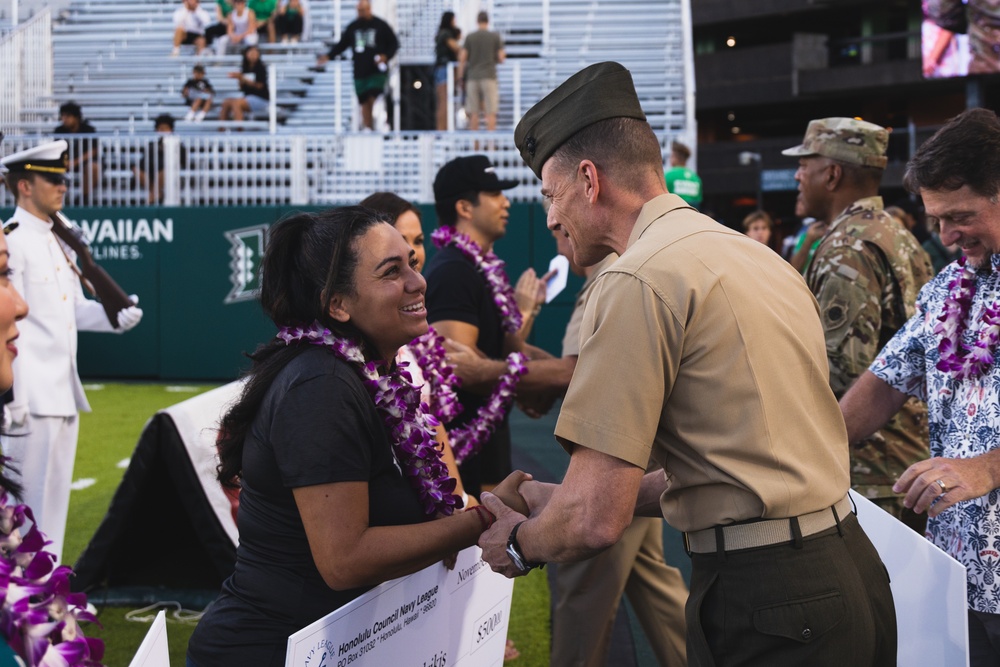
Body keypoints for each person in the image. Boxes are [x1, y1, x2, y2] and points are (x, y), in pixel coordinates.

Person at [477, 61, 896, 666]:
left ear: (589, 180)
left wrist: (518, 543)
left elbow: (596, 519)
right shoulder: (755, 257)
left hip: (767, 597)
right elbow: (726, 466)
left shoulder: (636, 279)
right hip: (848, 570)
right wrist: (555, 496)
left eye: (550, 194)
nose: (549, 218)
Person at [186, 207, 500, 666]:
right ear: (338, 304)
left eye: (412, 262)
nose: (418, 282)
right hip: (272, 651)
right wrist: (481, 521)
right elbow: (344, 560)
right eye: (392, 271)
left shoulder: (372, 374)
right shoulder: (322, 385)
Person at [839, 107, 1000, 667]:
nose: (947, 236)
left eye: (960, 215)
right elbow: (881, 387)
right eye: (936, 220)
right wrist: (800, 451)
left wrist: (987, 467)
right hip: (956, 576)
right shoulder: (949, 287)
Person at [536, 225, 688, 667]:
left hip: (619, 455)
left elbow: (574, 370)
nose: (556, 235)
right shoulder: (622, 271)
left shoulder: (615, 276)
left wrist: (494, 371)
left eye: (559, 224)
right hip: (641, 453)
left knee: (583, 590)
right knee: (653, 584)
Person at [783, 116, 933, 531]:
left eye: (805, 164)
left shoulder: (847, 247)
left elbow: (836, 374)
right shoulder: (897, 234)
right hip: (905, 459)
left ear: (831, 174)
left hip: (869, 473)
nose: (797, 175)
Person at [0, 140, 143, 563]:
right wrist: (17, 399)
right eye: (53, 179)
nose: (62, 187)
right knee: (26, 515)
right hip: (32, 397)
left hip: (62, 392)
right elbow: (13, 323)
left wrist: (113, 317)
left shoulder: (59, 238)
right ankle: (25, 602)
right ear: (24, 185)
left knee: (54, 509)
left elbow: (69, 310)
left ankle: (49, 593)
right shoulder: (15, 241)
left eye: (64, 179)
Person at [424, 155, 549, 499]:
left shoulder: (481, 267)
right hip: (465, 458)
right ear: (465, 207)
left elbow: (499, 353)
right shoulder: (454, 270)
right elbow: (463, 372)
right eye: (494, 194)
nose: (505, 202)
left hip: (489, 446)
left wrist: (527, 312)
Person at [358, 191, 474, 507]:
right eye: (400, 239)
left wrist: (456, 501)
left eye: (419, 240)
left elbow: (429, 424)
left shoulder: (409, 338)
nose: (413, 251)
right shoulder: (355, 347)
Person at [318, 0, 399, 131]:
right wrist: (328, 56)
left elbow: (394, 43)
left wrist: (386, 56)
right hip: (360, 71)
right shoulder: (353, 27)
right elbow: (342, 44)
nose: (360, 13)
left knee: (373, 96)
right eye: (358, 10)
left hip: (376, 71)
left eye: (363, 10)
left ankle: (379, 123)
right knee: (363, 101)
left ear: (369, 9)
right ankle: (368, 128)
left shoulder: (381, 25)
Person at [459, 11, 505, 132]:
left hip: (473, 77)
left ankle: (475, 145)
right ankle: (491, 145)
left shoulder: (470, 37)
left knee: (473, 113)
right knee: (491, 113)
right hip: (489, 76)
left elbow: (462, 58)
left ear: (477, 21)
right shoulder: (494, 36)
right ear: (488, 21)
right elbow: (501, 58)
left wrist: (460, 77)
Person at [53, 101, 100, 205]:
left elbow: (94, 150)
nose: (64, 119)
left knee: (93, 167)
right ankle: (59, 200)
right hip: (64, 163)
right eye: (63, 116)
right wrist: (64, 162)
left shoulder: (88, 129)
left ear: (76, 117)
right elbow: (55, 149)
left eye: (68, 116)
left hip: (84, 162)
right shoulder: (59, 131)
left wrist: (75, 162)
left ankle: (84, 198)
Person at [134, 114, 188, 205]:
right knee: (136, 169)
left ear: (171, 129)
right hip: (152, 173)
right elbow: (144, 162)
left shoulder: (178, 145)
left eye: (165, 128)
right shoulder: (152, 145)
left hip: (171, 174)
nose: (163, 131)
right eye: (161, 128)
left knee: (166, 169)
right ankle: (156, 192)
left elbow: (183, 161)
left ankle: (154, 194)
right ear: (157, 130)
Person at [218, 45, 268, 124]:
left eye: (255, 53)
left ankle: (239, 129)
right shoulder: (244, 68)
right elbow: (242, 88)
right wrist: (239, 79)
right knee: (226, 102)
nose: (253, 55)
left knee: (236, 103)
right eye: (251, 53)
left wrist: (243, 78)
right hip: (247, 98)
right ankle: (221, 128)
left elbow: (260, 86)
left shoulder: (261, 68)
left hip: (260, 98)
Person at [433, 11, 461, 131]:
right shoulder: (445, 34)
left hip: (441, 69)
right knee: (444, 102)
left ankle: (442, 128)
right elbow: (456, 48)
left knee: (443, 102)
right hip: (444, 70)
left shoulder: (441, 33)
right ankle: (442, 129)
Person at [663, 140, 702, 210]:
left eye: (671, 156)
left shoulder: (668, 176)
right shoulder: (696, 178)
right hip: (693, 217)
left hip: (674, 216)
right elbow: (698, 201)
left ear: (674, 157)